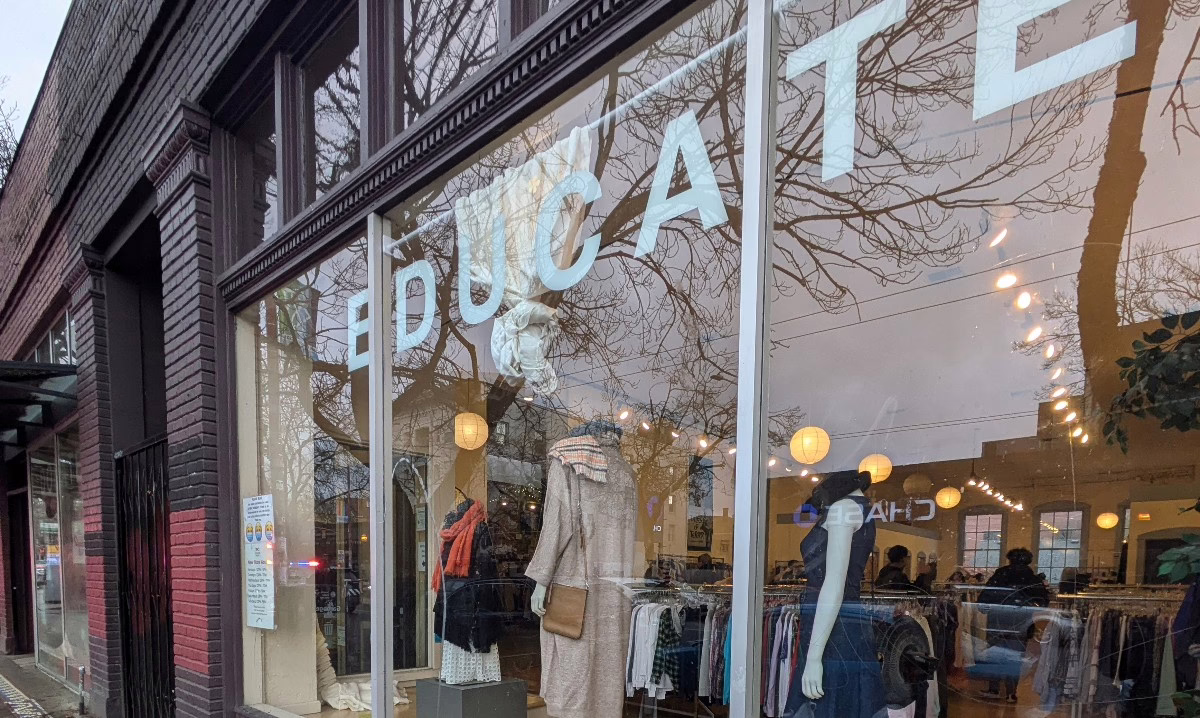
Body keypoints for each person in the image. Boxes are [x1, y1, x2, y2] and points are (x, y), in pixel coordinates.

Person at [979, 548, 1048, 703]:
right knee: (1015, 657)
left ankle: (994, 689)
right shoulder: (1032, 578)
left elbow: (985, 597)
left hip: (997, 620)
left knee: (995, 655)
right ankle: (1011, 692)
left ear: (1010, 559)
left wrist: (986, 607)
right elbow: (1043, 602)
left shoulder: (1001, 574)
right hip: (1020, 623)